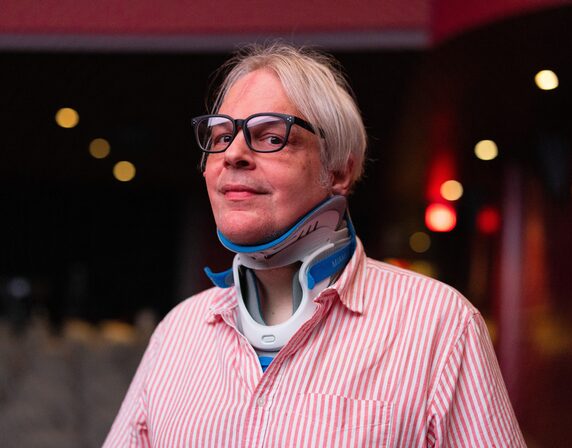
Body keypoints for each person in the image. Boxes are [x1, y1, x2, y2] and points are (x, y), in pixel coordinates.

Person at [104, 43, 525, 447]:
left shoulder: (440, 326)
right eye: (220, 137)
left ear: (338, 171)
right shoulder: (177, 333)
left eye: (271, 137)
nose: (232, 154)